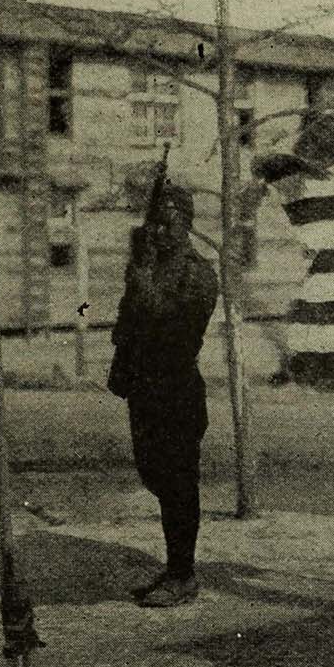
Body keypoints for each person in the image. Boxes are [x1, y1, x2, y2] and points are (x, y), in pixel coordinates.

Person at [108, 180, 219, 608]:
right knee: (152, 475)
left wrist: (139, 273)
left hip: (176, 392)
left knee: (177, 485)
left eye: (169, 224)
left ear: (186, 226)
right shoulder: (150, 268)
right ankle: (176, 567)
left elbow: (168, 325)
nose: (159, 232)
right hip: (145, 390)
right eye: (154, 223)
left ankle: (182, 575)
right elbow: (128, 321)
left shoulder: (198, 273)